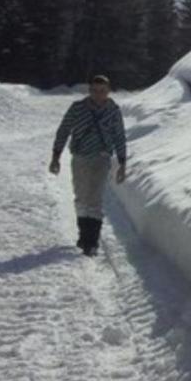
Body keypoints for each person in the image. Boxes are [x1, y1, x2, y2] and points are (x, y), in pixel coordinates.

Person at [49, 74, 127, 256]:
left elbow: (119, 136)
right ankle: (83, 236)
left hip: (102, 158)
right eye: (95, 91)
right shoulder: (77, 108)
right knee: (81, 197)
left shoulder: (113, 111)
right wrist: (56, 156)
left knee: (95, 199)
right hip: (80, 158)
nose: (99, 95)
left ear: (108, 91)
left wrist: (123, 163)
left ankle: (91, 241)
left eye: (103, 91)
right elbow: (63, 131)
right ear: (89, 90)